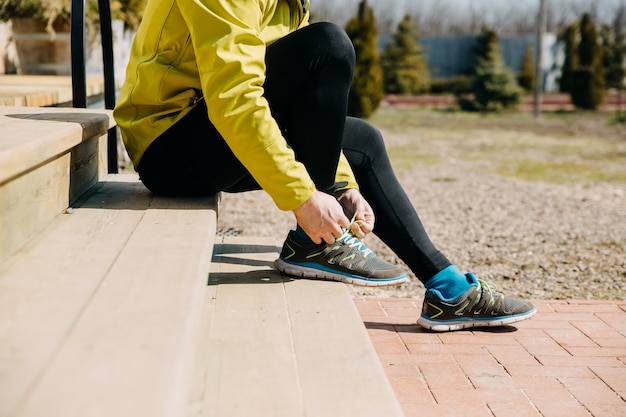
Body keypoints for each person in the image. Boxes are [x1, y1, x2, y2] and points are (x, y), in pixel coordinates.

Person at [113, 0, 536, 332]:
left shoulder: (289, 2)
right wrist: (303, 198)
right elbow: (234, 99)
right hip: (168, 147)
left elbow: (306, 110)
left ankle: (448, 289)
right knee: (328, 45)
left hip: (212, 141)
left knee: (364, 142)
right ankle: (313, 242)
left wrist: (340, 184)